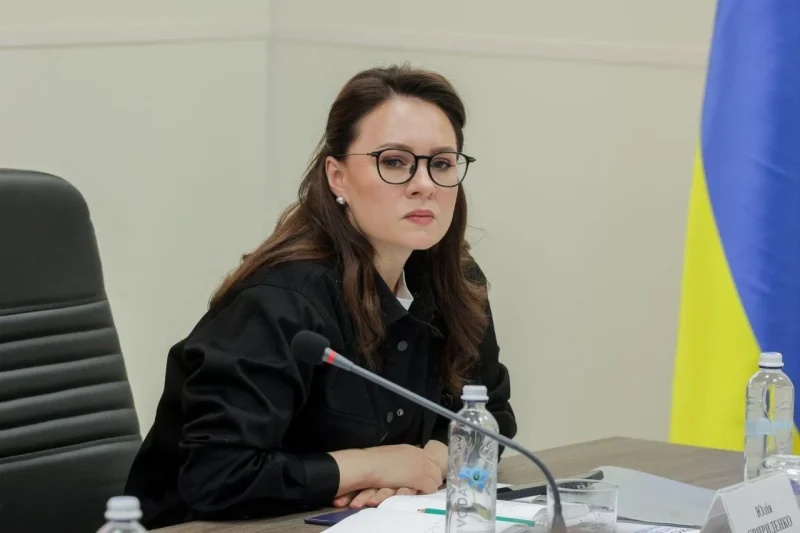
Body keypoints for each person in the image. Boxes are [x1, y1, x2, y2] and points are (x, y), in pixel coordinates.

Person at [124, 64, 517, 529]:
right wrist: (371, 466)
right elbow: (218, 476)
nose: (424, 184)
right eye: (394, 162)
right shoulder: (280, 301)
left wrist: (429, 462)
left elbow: (491, 413)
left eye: (442, 163)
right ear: (337, 176)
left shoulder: (455, 283)